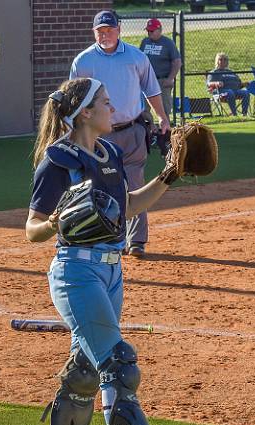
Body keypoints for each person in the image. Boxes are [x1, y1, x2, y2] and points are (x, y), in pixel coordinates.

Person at [27, 77, 186, 425]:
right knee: (119, 364)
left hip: (112, 273)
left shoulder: (111, 153)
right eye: (105, 102)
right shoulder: (58, 160)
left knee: (84, 372)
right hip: (76, 272)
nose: (112, 108)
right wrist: (55, 223)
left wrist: (169, 174)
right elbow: (32, 229)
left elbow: (128, 206)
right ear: (85, 113)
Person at [70, 10, 170, 258]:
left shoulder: (136, 57)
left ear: (119, 29)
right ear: (94, 32)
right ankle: (105, 237)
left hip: (132, 130)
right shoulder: (83, 61)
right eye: (100, 31)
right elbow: (74, 99)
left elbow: (151, 89)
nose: (105, 34)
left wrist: (162, 116)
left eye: (109, 29)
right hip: (99, 137)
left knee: (135, 184)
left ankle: (136, 241)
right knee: (100, 187)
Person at [139, 18, 182, 118]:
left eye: (152, 31)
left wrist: (170, 79)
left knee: (164, 109)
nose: (149, 33)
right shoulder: (145, 42)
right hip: (146, 80)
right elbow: (140, 60)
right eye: (148, 31)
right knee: (143, 109)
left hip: (162, 80)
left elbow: (177, 62)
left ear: (160, 30)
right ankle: (149, 130)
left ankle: (165, 131)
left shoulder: (168, 43)